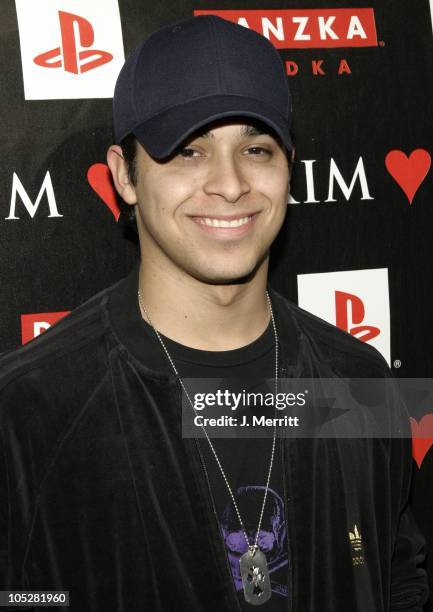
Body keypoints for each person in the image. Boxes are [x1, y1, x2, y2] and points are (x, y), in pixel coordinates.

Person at [0, 14, 428, 612]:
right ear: (124, 175)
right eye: (187, 152)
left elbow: (395, 577)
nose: (229, 184)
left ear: (289, 167)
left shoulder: (361, 381)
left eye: (256, 148)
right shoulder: (28, 412)